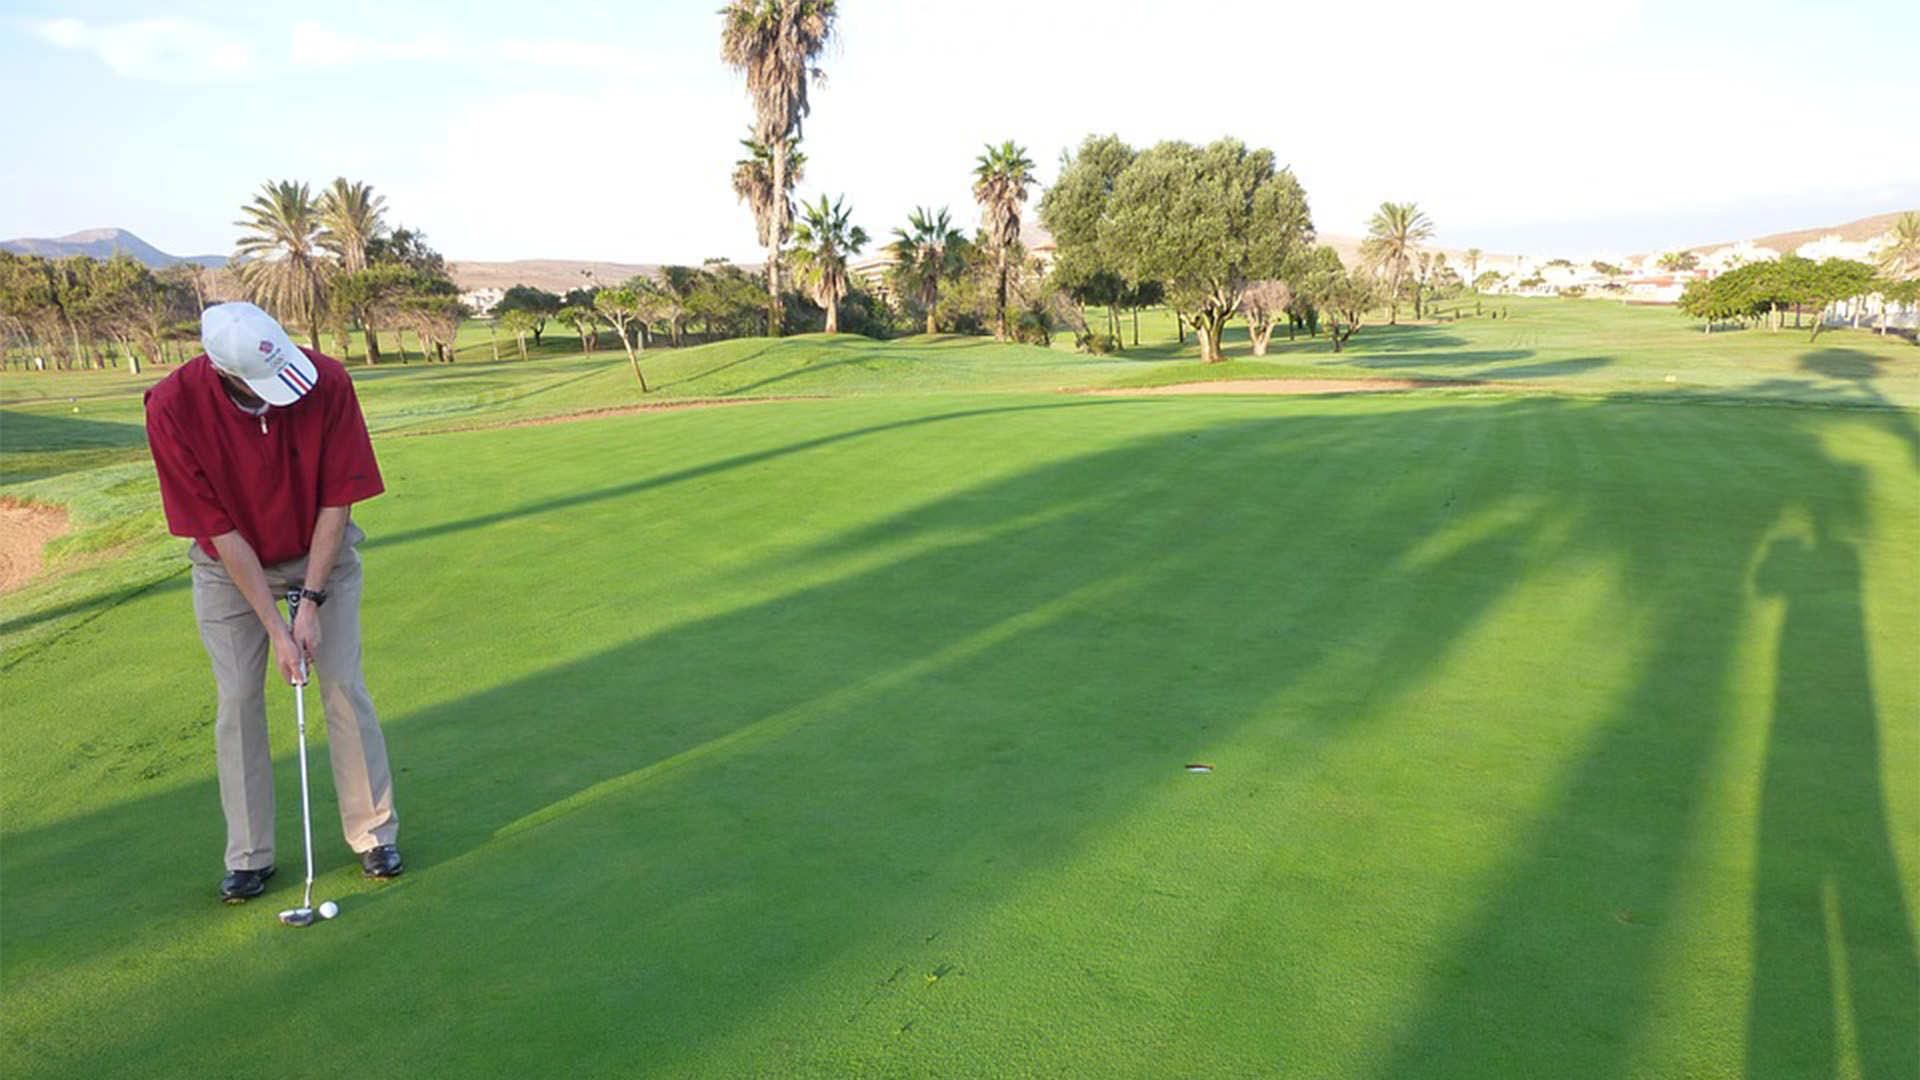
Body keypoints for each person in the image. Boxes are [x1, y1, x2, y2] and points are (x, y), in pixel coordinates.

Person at [144, 301, 403, 902]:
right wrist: (277, 627)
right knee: (238, 699)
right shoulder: (173, 406)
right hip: (229, 566)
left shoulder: (326, 380)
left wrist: (307, 604)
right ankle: (249, 856)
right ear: (222, 372)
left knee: (342, 684)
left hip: (320, 549)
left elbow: (339, 500)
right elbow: (220, 532)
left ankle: (373, 834)